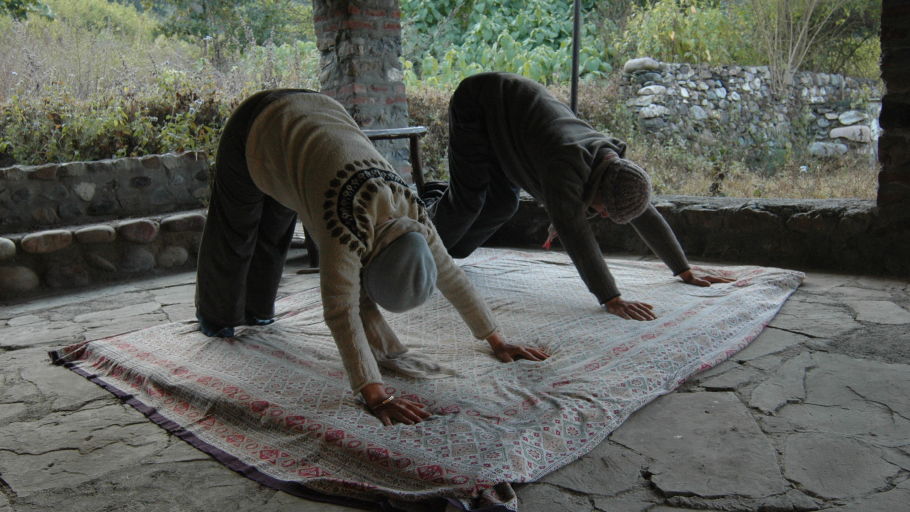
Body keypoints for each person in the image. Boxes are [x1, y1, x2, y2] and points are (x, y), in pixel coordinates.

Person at [194, 89, 548, 426]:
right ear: (365, 263)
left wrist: (497, 339)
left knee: (277, 223)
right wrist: (374, 393)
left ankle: (257, 312)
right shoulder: (343, 229)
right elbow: (341, 309)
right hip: (257, 123)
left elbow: (452, 277)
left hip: (318, 118)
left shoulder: (414, 217)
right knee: (236, 228)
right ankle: (217, 315)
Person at [428, 73, 732, 321]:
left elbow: (644, 212)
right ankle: (418, 245)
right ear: (597, 192)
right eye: (604, 211)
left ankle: (447, 253)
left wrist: (683, 269)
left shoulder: (612, 166)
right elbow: (576, 234)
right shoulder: (565, 167)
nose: (602, 216)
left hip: (511, 119)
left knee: (502, 205)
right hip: (479, 103)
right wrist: (611, 297)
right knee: (467, 201)